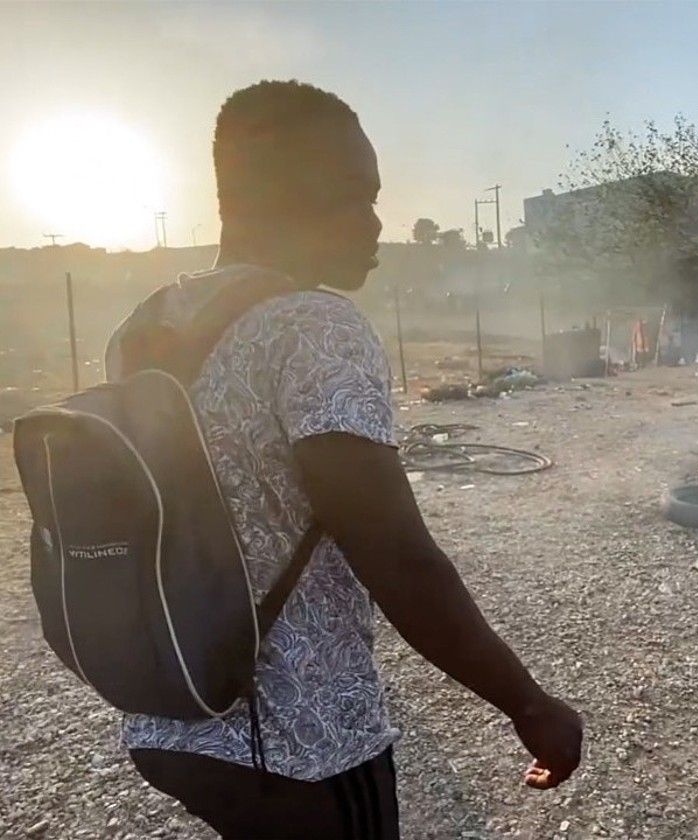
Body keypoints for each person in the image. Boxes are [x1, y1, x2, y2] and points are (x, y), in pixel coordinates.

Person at [120, 81, 582, 838]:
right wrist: (528, 704)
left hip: (170, 708)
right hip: (300, 738)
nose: (374, 222)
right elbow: (399, 557)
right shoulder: (315, 326)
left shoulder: (146, 326)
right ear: (279, 197)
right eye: (351, 195)